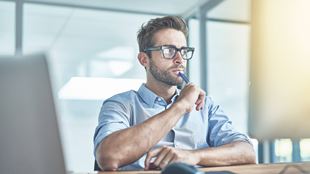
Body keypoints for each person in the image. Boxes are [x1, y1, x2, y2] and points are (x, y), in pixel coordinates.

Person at [93, 16, 256, 171]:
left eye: (183, 51)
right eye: (168, 50)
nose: (179, 59)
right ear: (144, 59)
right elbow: (108, 157)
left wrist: (193, 156)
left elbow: (247, 152)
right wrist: (181, 106)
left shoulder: (205, 106)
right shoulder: (120, 104)